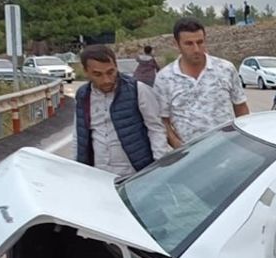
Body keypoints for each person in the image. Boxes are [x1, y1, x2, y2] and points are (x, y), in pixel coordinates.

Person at [155, 17, 249, 148]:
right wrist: (179, 148)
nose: (196, 49)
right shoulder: (164, 78)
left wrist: (243, 141)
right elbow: (163, 121)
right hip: (191, 157)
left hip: (228, 149)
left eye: (200, 42)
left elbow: (241, 108)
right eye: (189, 44)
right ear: (176, 44)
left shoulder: (225, 69)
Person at [75, 44, 168, 176]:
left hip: (134, 173)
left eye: (110, 72)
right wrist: (77, 168)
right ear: (86, 72)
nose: (106, 80)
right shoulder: (83, 95)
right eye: (97, 74)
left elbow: (155, 129)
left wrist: (159, 169)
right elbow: (79, 135)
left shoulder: (138, 90)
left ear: (116, 67)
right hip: (97, 173)